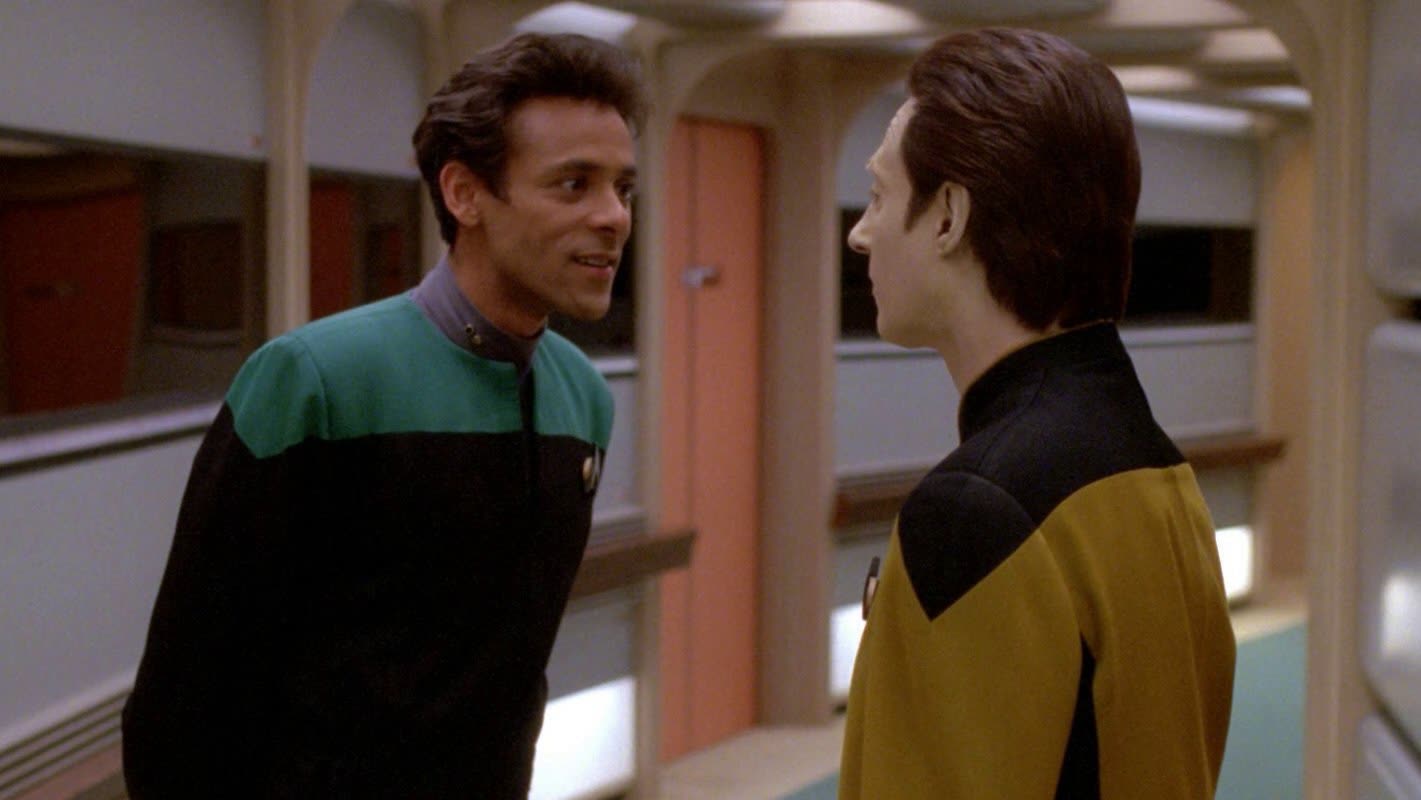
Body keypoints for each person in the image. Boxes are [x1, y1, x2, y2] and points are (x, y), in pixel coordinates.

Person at [121, 32, 645, 798]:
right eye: (573, 184)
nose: (613, 217)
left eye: (623, 188)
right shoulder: (315, 380)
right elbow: (185, 695)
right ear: (464, 193)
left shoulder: (582, 397)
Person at [838, 27, 1235, 799]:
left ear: (948, 216)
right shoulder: (1155, 468)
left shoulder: (977, 510)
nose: (860, 232)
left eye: (880, 196)